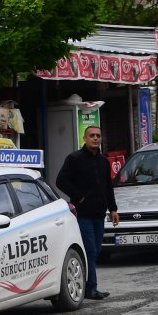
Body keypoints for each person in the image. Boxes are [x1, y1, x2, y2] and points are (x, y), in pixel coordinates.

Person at [56, 126, 119, 300]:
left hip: (99, 214)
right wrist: (78, 196)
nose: (96, 138)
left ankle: (88, 285)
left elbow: (108, 187)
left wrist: (113, 209)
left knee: (96, 250)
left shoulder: (103, 161)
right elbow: (61, 180)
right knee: (90, 250)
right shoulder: (74, 159)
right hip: (83, 214)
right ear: (85, 138)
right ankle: (91, 287)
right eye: (92, 135)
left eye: (98, 136)